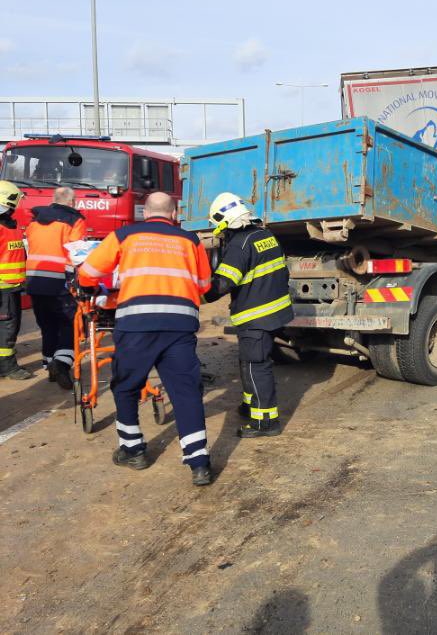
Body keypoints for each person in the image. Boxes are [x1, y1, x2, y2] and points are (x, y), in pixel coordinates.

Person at [77, 192, 213, 486]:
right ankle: (199, 463)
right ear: (174, 214)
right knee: (186, 392)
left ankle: (133, 450)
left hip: (136, 325)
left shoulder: (124, 235)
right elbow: (204, 284)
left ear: (145, 213)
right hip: (179, 326)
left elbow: (87, 273)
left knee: (126, 386)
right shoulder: (191, 241)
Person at [202, 193, 293, 438]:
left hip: (256, 317)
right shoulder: (266, 235)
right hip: (275, 312)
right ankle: (250, 405)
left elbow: (222, 284)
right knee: (249, 361)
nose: (220, 233)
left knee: (256, 366)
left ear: (225, 221)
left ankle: (265, 422)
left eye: (219, 227)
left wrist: (196, 296)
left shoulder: (239, 245)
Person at [24, 186, 85, 388]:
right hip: (60, 281)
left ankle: (49, 364)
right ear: (72, 202)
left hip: (34, 280)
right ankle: (61, 364)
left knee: (47, 324)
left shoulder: (35, 220)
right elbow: (77, 253)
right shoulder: (75, 220)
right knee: (69, 323)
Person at [0, 181, 33, 379]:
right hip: (4, 288)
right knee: (7, 327)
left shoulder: (10, 226)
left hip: (11, 286)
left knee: (9, 326)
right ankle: (7, 367)